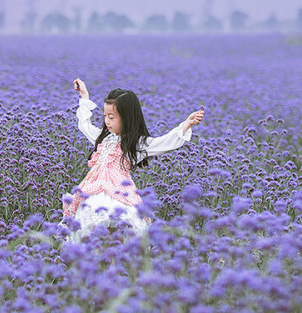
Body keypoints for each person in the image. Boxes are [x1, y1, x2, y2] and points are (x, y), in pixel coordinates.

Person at [64, 78, 204, 241]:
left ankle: (114, 262)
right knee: (94, 230)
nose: (107, 121)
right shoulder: (103, 138)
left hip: (119, 193)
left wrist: (186, 124)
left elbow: (164, 142)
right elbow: (84, 125)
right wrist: (84, 96)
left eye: (111, 117)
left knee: (118, 229)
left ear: (127, 118)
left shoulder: (135, 144)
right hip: (93, 190)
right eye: (105, 116)